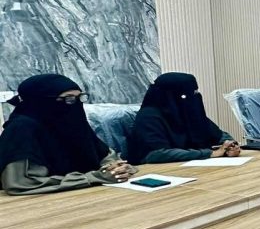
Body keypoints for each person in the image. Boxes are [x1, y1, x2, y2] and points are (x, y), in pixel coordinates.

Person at [0, 74, 137, 195]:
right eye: (68, 99)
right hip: (41, 205)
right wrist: (91, 178)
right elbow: (21, 183)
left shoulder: (73, 122)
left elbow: (103, 155)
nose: (75, 104)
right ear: (41, 102)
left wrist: (115, 168)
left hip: (88, 195)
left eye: (79, 98)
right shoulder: (21, 129)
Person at [126, 72, 238, 164]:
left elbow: (220, 136)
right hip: (160, 173)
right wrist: (210, 153)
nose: (194, 97)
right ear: (170, 96)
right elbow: (156, 154)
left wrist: (230, 146)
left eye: (196, 92)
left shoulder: (190, 113)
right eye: (188, 94)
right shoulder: (148, 117)